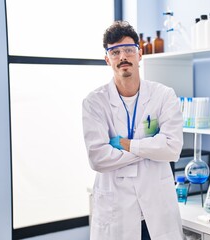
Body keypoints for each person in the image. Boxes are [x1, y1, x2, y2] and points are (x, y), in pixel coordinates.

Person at [82, 21, 184, 240]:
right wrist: (152, 148)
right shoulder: (94, 102)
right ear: (107, 59)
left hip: (157, 209)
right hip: (117, 209)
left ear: (140, 55)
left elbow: (173, 149)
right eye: (115, 52)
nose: (123, 57)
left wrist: (124, 143)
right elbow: (98, 159)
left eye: (129, 50)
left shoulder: (164, 95)